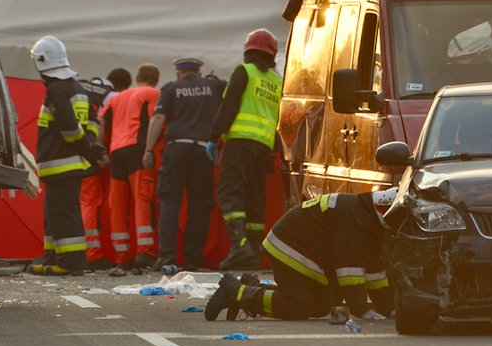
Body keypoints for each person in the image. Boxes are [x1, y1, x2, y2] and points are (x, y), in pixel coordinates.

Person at [204, 190, 397, 322]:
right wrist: (362, 310)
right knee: (298, 307)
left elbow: (374, 272)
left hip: (303, 251)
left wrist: (388, 308)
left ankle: (253, 287)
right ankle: (236, 292)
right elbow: (349, 270)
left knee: (323, 305)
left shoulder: (368, 220)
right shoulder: (355, 219)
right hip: (289, 247)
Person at [29, 36, 106, 276]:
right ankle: (53, 257)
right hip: (68, 165)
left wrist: (87, 147)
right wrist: (91, 145)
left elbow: (69, 127)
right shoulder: (77, 88)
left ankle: (70, 261)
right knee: (55, 215)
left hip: (60, 164)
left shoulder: (56, 89)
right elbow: (93, 121)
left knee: (64, 214)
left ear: (42, 62)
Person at [208, 28, 283, 270]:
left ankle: (240, 246)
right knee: (255, 198)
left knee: (230, 193)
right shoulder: (277, 81)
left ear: (248, 51)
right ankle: (252, 250)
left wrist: (213, 136)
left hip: (239, 141)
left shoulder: (245, 72)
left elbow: (229, 105)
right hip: (263, 147)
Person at [142, 57, 226, 272]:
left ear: (178, 73)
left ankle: (167, 256)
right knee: (200, 205)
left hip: (176, 148)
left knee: (170, 202)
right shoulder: (214, 86)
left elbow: (158, 118)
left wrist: (149, 149)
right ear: (198, 72)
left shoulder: (171, 89)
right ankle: (194, 258)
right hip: (204, 150)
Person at [102, 64, 161, 275]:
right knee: (142, 200)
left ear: (137, 77)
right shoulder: (153, 93)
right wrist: (150, 149)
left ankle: (121, 257)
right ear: (156, 79)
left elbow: (102, 119)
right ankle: (145, 252)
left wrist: (102, 149)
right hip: (138, 150)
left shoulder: (117, 97)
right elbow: (156, 119)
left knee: (116, 206)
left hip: (116, 153)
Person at [79, 69, 131, 270]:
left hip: (67, 151)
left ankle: (77, 252)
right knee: (89, 200)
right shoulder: (112, 96)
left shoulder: (85, 85)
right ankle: (92, 254)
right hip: (87, 152)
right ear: (123, 87)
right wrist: (98, 152)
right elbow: (101, 121)